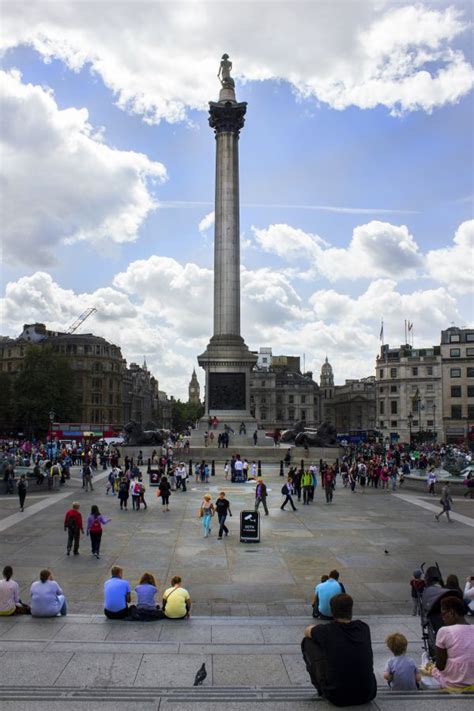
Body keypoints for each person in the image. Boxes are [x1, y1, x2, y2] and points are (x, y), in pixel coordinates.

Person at [302, 594, 377, 707]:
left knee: (307, 642)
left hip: (338, 697)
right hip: (368, 693)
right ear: (351, 609)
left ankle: (320, 688)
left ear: (332, 612)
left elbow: (307, 631)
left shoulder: (326, 631)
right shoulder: (363, 627)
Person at [430, 596, 474, 690]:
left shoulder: (445, 631)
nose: (442, 618)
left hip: (454, 682)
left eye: (443, 614)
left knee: (430, 669)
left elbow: (440, 666)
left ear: (452, 612)